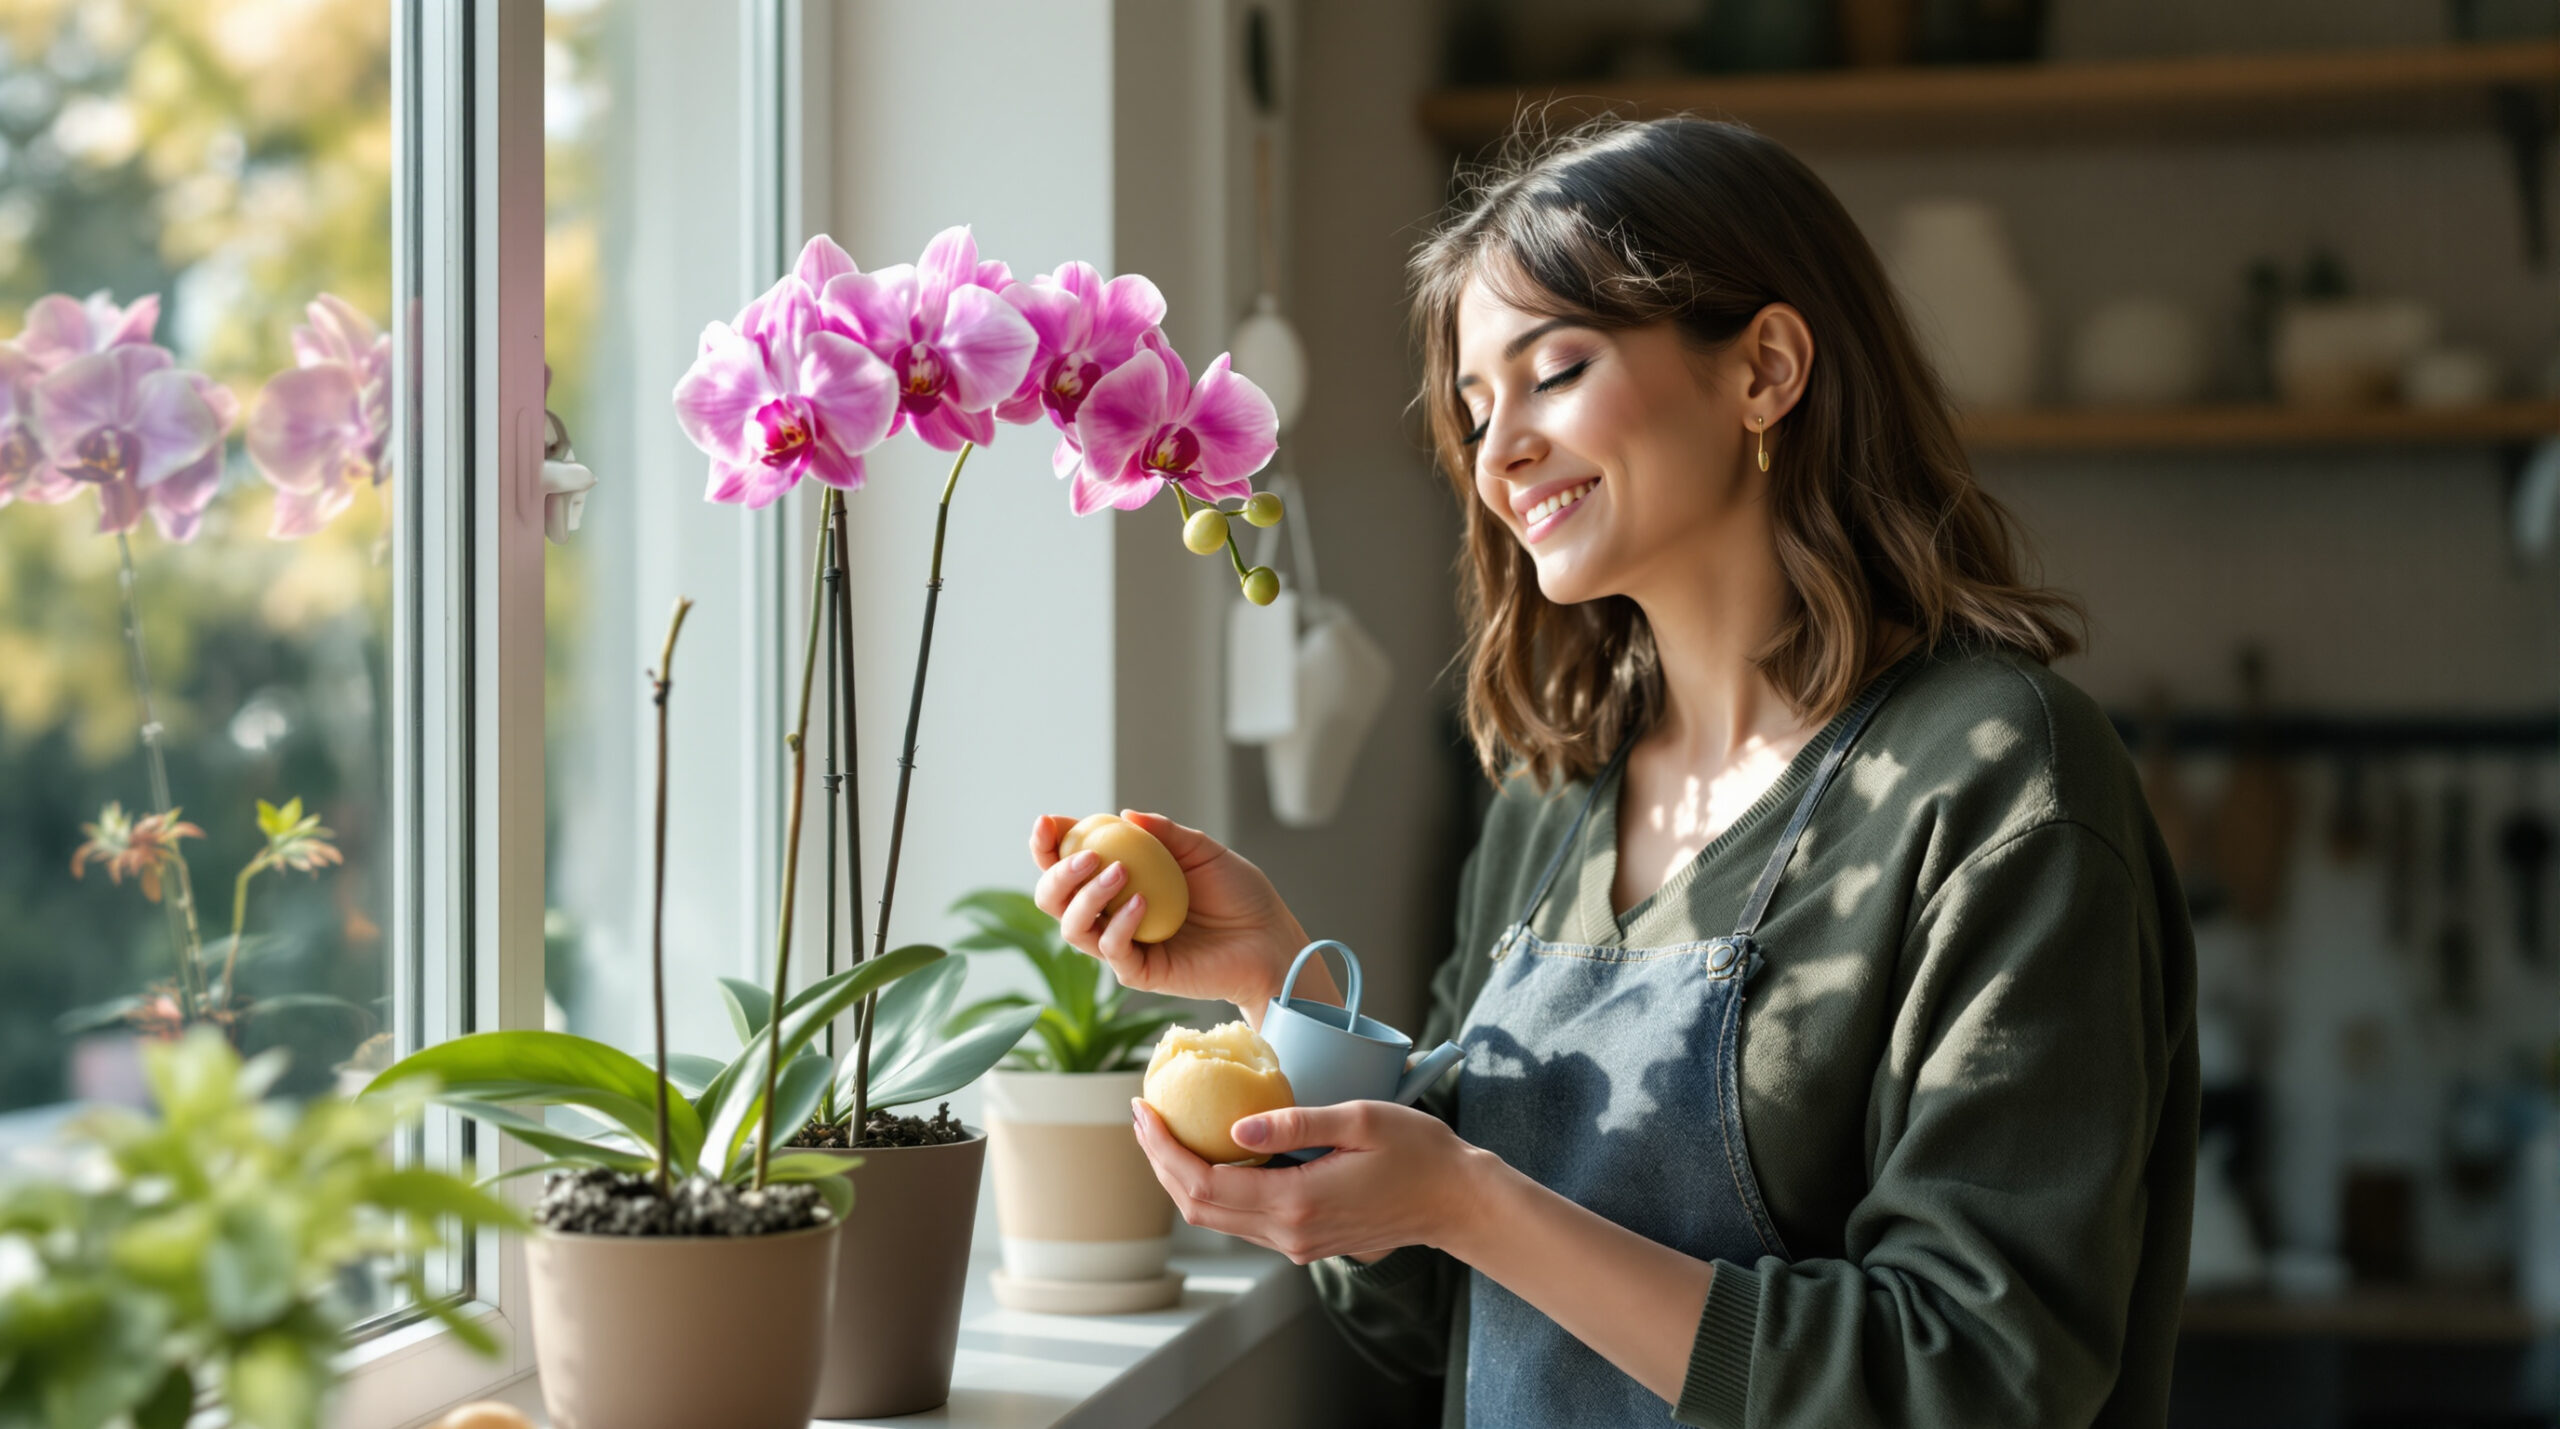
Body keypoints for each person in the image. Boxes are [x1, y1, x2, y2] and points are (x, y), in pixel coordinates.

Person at [1027, 117, 2195, 1428]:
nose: (1500, 449)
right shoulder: (1552, 796)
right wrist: (1271, 983)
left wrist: (1472, 1196)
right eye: (1476, 410)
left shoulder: (1998, 780)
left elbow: (1975, 1375)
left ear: (1765, 368)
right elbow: (1431, 1307)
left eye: (1556, 371)